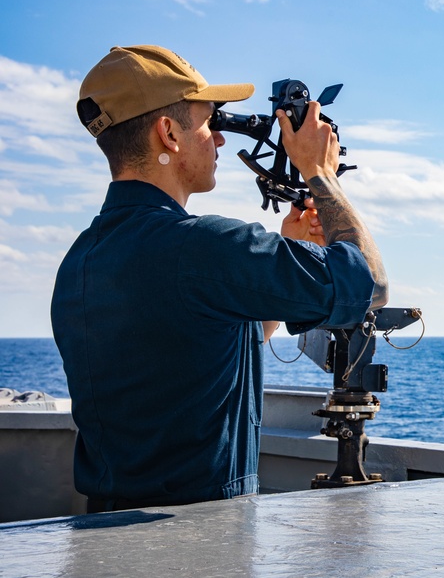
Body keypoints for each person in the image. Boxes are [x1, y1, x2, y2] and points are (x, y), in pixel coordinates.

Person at [50, 45, 388, 512]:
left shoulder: (81, 259)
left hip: (106, 538)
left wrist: (296, 248)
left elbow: (213, 344)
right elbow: (368, 282)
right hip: (199, 540)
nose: (221, 141)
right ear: (168, 133)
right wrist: (319, 173)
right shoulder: (202, 247)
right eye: (208, 124)